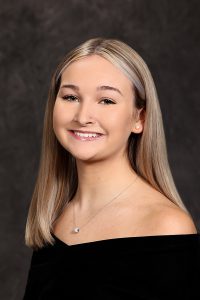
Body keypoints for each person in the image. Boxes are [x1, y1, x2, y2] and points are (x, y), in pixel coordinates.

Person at [22, 37, 200, 299]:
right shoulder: (54, 217)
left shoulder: (166, 226)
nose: (82, 117)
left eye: (106, 100)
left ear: (139, 118)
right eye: (71, 97)